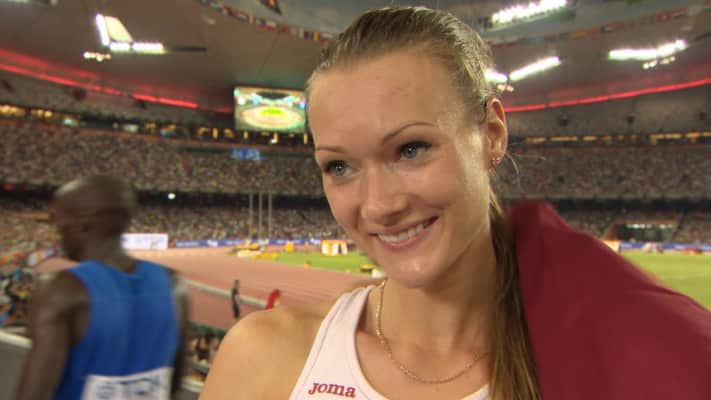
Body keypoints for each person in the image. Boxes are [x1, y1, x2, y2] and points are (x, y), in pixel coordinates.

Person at [201, 7, 711, 400]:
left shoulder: (614, 368)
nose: (378, 206)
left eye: (411, 149)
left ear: (491, 135)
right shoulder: (261, 360)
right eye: (339, 167)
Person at [14, 175, 190, 400]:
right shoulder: (173, 284)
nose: (56, 228)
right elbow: (175, 383)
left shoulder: (61, 289)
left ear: (83, 222)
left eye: (59, 220)